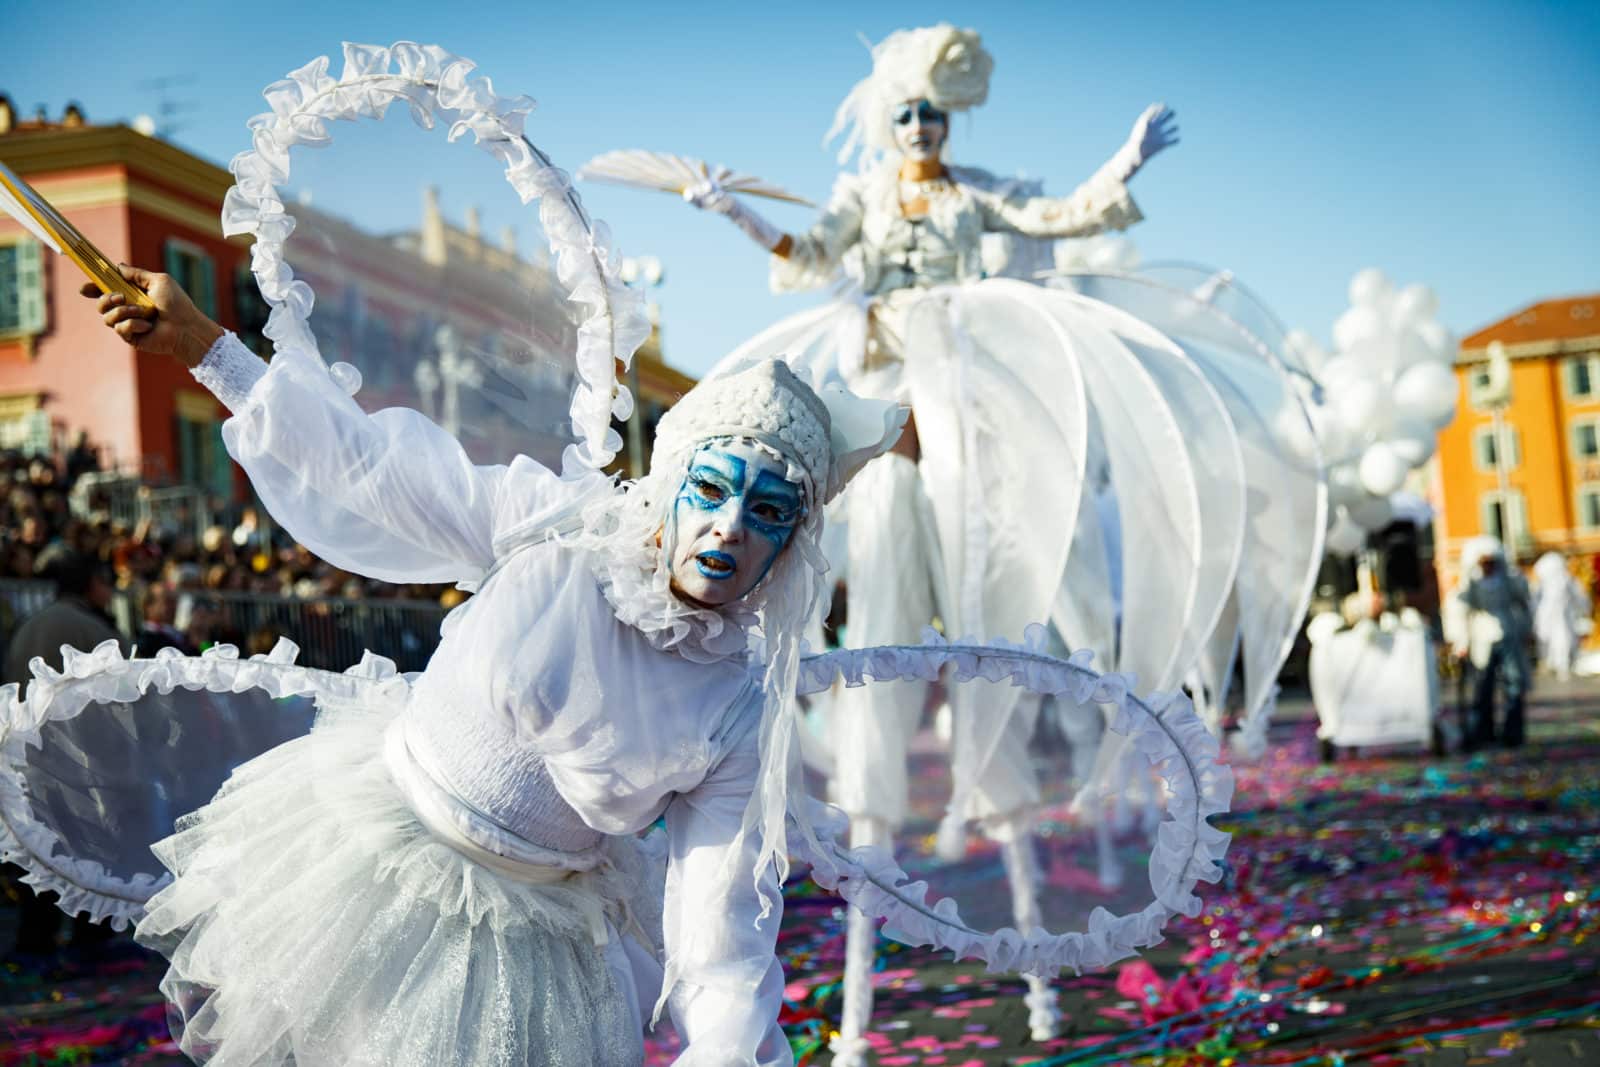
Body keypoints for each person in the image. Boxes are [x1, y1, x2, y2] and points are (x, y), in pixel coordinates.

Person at [71, 262, 905, 1065]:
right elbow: (373, 467)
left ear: (788, 549)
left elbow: (720, 930)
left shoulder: (734, 709)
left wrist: (725, 1055)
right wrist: (203, 345)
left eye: (766, 512)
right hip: (365, 870)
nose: (730, 528)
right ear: (671, 484)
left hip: (528, 951)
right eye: (712, 490)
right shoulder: (557, 527)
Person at [670, 24, 1177, 1053]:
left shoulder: (971, 191)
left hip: (968, 424)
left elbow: (1054, 216)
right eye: (904, 112)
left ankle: (1029, 946)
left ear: (950, 118)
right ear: (886, 119)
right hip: (890, 422)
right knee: (886, 621)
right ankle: (861, 959)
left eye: (931, 112)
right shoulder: (863, 199)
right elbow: (812, 257)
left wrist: (1121, 166)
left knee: (991, 642)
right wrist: (732, 212)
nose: (919, 127)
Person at [1451, 538, 1533, 749]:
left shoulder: (1507, 579)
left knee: (1514, 684)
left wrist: (1526, 630)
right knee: (1482, 688)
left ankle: (1512, 732)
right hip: (1482, 639)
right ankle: (1482, 732)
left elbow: (1523, 601)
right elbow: (1462, 611)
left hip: (1507, 635)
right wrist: (1462, 642)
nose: (1488, 566)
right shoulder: (1472, 583)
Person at [1532, 552, 1589, 681]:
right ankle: (1551, 664)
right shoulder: (1549, 582)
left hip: (1561, 617)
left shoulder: (1564, 580)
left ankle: (1561, 666)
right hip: (1549, 617)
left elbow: (1578, 596)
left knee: (1562, 640)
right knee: (1550, 639)